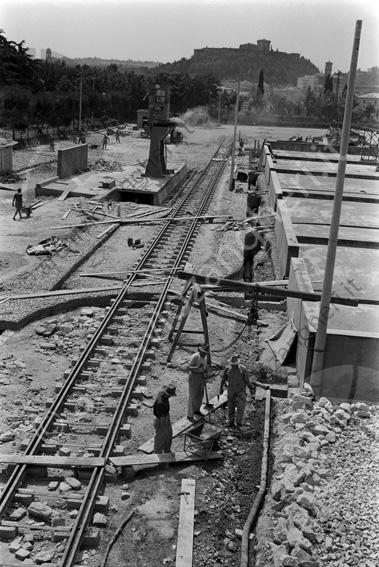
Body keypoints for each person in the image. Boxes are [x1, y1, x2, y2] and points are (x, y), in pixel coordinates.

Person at [219, 354, 269, 429]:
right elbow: (223, 379)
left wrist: (251, 389)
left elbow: (247, 380)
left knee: (241, 406)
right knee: (231, 406)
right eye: (232, 364)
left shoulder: (243, 369)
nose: (233, 366)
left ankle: (238, 422)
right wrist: (221, 388)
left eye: (235, 364)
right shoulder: (227, 369)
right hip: (231, 389)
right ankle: (231, 421)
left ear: (238, 364)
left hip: (241, 390)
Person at [187, 344, 209, 421]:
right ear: (200, 350)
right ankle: (190, 414)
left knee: (200, 394)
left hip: (201, 376)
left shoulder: (205, 359)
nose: (204, 354)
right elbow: (188, 367)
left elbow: (205, 368)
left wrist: (206, 373)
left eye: (206, 352)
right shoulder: (195, 356)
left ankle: (197, 410)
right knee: (193, 395)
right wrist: (197, 367)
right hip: (194, 376)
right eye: (203, 352)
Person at [153, 384, 176, 454]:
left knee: (169, 434)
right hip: (161, 419)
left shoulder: (162, 394)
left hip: (166, 416)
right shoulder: (160, 403)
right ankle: (157, 453)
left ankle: (167, 450)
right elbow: (161, 416)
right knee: (160, 437)